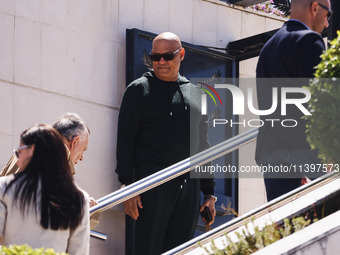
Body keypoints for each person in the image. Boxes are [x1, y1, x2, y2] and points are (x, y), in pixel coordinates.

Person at [115, 32, 216, 255]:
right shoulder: (138, 90)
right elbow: (125, 140)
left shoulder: (197, 94)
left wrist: (209, 192)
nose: (160, 62)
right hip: (150, 186)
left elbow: (203, 146)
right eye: (155, 56)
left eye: (167, 56)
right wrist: (127, 186)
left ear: (181, 55)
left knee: (181, 250)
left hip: (189, 187)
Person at [255, 0, 332, 201]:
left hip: (271, 149)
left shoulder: (269, 47)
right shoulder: (310, 41)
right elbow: (318, 104)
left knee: (283, 224)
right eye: (328, 15)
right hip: (305, 148)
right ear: (315, 8)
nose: (327, 24)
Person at [0, 124, 89, 254]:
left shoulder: (4, 187)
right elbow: (79, 251)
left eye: (19, 152)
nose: (17, 161)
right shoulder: (79, 199)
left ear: (33, 149)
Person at [0, 113, 99, 228]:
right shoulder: (60, 153)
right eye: (84, 149)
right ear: (75, 141)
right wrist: (85, 209)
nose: (82, 157)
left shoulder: (24, 151)